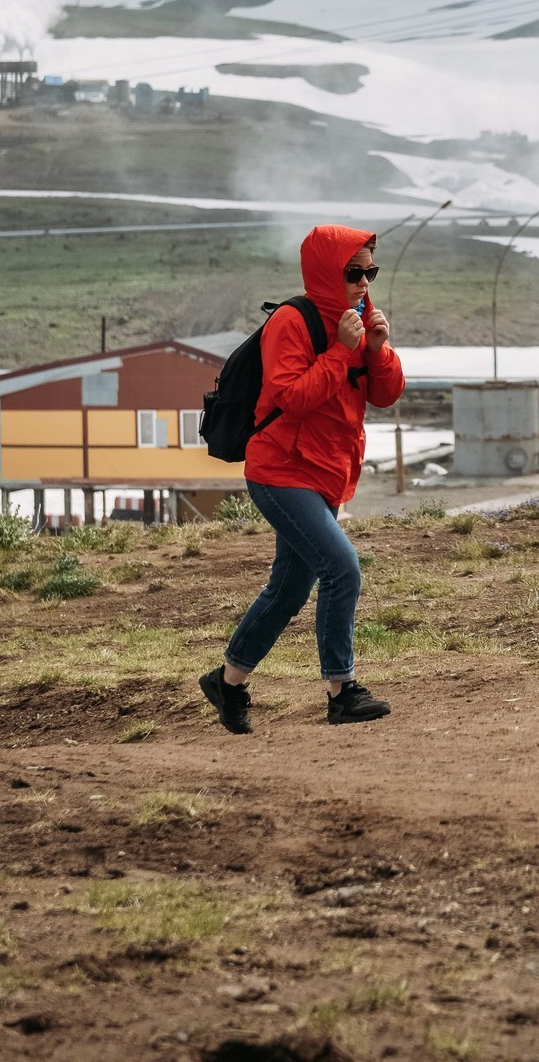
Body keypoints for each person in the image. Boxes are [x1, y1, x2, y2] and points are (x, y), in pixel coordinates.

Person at [200, 224, 403, 731]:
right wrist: (340, 350)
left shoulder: (357, 320)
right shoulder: (291, 322)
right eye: (354, 271)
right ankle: (342, 691)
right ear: (328, 271)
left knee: (289, 590)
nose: (363, 281)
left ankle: (227, 684)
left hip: (327, 471)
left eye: (369, 271)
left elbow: (385, 394)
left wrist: (376, 349)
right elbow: (291, 396)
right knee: (342, 568)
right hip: (280, 470)